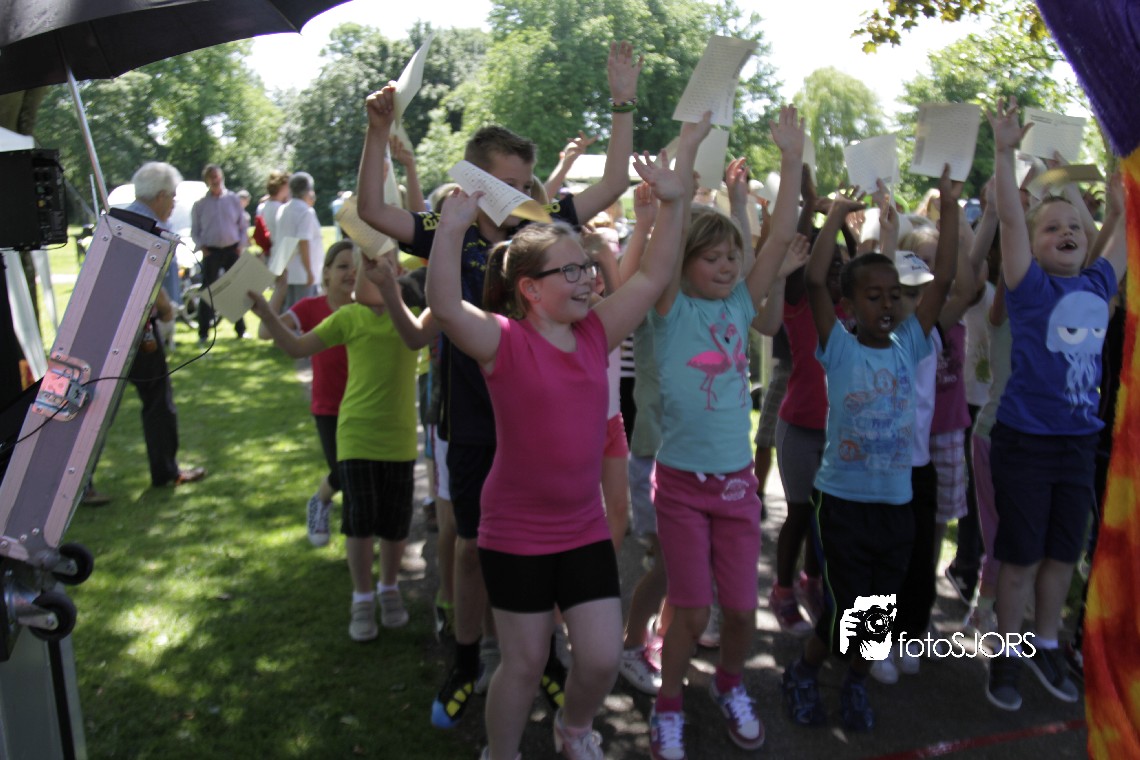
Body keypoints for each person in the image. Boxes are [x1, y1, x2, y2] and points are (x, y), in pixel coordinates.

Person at [355, 41, 643, 732]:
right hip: (474, 421)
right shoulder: (445, 229)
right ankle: (466, 661)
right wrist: (376, 134)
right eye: (509, 181)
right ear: (474, 180)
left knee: (550, 542)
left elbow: (612, 183)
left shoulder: (541, 231)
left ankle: (542, 658)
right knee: (469, 547)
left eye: (528, 180)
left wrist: (622, 100)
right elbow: (371, 208)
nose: (523, 192)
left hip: (543, 426)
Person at [427, 136, 687, 760]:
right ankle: (501, 751)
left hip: (581, 527)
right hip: (516, 531)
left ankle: (573, 729)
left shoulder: (596, 332)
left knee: (598, 659)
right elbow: (445, 307)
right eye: (570, 271)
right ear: (530, 289)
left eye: (587, 268)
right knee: (522, 665)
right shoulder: (503, 341)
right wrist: (451, 229)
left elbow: (652, 275)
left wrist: (674, 205)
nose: (588, 278)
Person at [647, 107, 804, 760]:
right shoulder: (667, 307)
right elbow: (665, 246)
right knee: (690, 611)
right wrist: (682, 168)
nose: (726, 265)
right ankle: (668, 703)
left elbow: (778, 238)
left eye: (732, 256)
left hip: (736, 485)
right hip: (681, 486)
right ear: (684, 264)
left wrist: (792, 158)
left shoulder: (741, 302)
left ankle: (730, 684)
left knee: (740, 611)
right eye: (710, 257)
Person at [781, 168, 957, 733]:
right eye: (872, 295)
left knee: (878, 611)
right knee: (844, 613)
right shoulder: (838, 346)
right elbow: (814, 282)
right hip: (843, 504)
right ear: (850, 304)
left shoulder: (910, 344)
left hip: (895, 505)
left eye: (893, 295)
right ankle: (805, 670)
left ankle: (854, 681)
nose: (886, 303)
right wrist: (834, 215)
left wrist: (953, 208)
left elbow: (944, 278)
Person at [983, 97, 1127, 712]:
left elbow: (1124, 226)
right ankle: (1006, 655)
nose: (1065, 232)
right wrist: (1005, 152)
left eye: (1073, 226)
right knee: (1021, 557)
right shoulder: (1029, 287)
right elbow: (1011, 224)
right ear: (1035, 246)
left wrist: (1121, 183)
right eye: (1051, 228)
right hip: (1025, 443)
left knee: (1063, 553)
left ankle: (1045, 644)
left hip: (1076, 443)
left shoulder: (1097, 281)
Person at [250, 247, 426, 642]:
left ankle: (389, 588)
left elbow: (422, 334)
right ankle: (362, 598)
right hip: (356, 434)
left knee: (395, 523)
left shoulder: (413, 317)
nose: (370, 273)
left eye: (384, 265)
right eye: (363, 267)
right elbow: (296, 347)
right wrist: (267, 314)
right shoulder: (347, 317)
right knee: (359, 522)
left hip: (399, 437)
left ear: (398, 272)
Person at [257, 240, 355, 546]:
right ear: (326, 273)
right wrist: (280, 291)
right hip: (328, 407)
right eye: (343, 266)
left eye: (357, 267)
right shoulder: (312, 307)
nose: (351, 273)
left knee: (358, 472)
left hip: (363, 405)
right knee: (343, 471)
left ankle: (357, 539)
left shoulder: (368, 308)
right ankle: (320, 501)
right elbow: (265, 332)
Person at [123, 161, 208, 487]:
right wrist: (165, 307)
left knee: (104, 403)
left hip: (124, 327)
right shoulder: (143, 226)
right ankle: (166, 471)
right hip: (137, 329)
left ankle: (82, 483)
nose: (173, 202)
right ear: (159, 195)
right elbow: (143, 275)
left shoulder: (127, 218)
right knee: (157, 398)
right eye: (172, 196)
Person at [191, 163, 248, 345]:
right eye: (212, 178)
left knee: (236, 288)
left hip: (232, 248)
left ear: (221, 177)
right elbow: (195, 231)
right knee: (208, 291)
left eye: (217, 177)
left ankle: (241, 329)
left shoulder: (232, 199)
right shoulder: (200, 204)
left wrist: (241, 245)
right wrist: (202, 247)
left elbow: (242, 225)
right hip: (212, 251)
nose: (215, 180)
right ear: (207, 180)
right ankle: (203, 332)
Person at [275, 172, 323, 310]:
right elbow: (303, 242)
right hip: (303, 272)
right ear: (309, 190)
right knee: (304, 311)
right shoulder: (306, 212)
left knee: (289, 310)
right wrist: (309, 271)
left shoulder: (283, 209)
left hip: (287, 270)